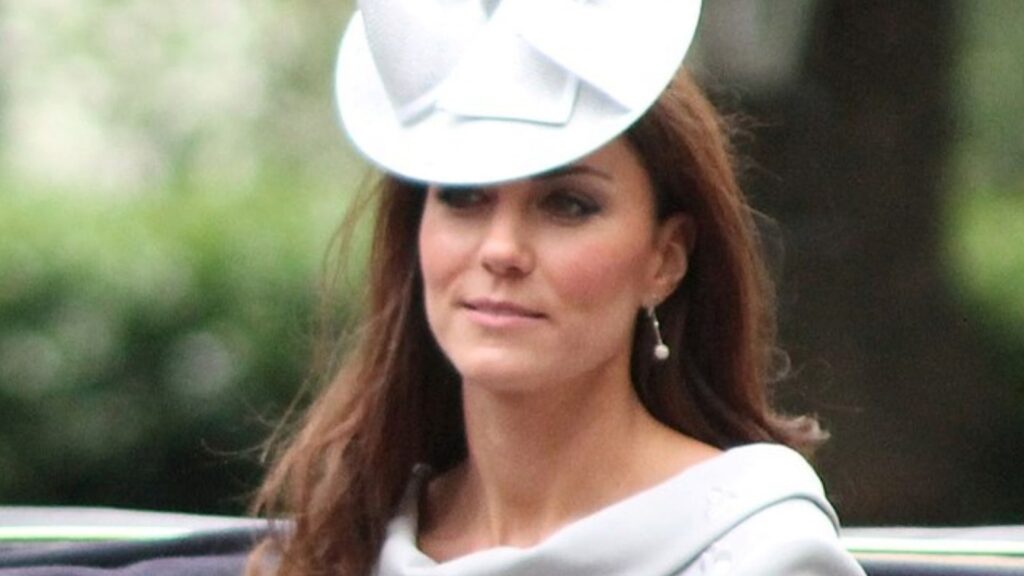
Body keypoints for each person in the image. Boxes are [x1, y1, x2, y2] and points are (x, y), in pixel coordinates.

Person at [249, 1, 866, 575]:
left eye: (567, 205)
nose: (501, 251)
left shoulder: (761, 554)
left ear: (666, 258)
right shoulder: (340, 544)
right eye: (463, 197)